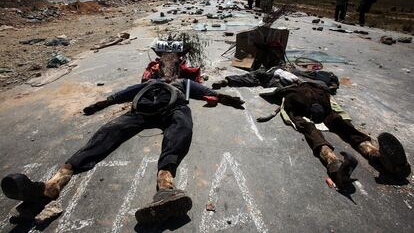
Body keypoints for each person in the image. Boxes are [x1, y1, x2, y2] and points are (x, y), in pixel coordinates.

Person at [1, 54, 245, 225]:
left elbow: (206, 92)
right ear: (159, 68)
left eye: (171, 66)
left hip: (174, 107)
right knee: (108, 132)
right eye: (164, 66)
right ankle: (51, 186)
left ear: (178, 68)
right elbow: (123, 94)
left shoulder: (185, 82)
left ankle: (166, 188)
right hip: (141, 110)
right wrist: (102, 103)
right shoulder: (150, 82)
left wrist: (222, 96)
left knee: (181, 129)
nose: (167, 69)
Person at [259, 82, 411, 188]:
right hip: (323, 106)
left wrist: (275, 94)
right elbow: (329, 95)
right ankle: (373, 152)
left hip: (305, 105)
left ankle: (333, 162)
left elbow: (279, 98)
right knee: (339, 122)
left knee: (309, 128)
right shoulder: (320, 93)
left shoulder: (293, 95)